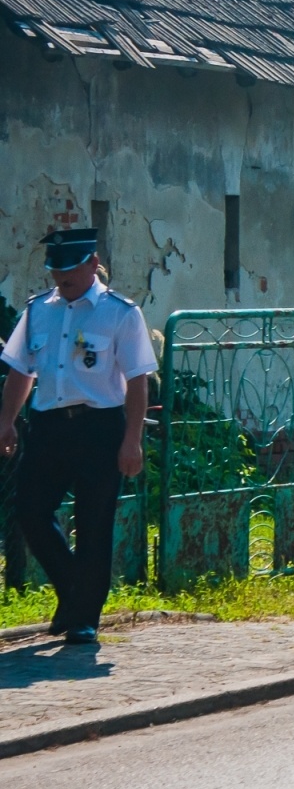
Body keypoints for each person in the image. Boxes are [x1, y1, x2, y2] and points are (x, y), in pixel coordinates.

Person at [0, 229, 158, 644]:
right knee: (30, 511)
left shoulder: (120, 313)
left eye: (69, 270)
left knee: (94, 522)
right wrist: (6, 420)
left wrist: (132, 438)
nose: (61, 278)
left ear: (92, 263)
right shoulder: (39, 312)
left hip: (99, 427)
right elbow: (20, 370)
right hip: (48, 427)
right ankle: (74, 589)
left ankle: (84, 616)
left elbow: (138, 379)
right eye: (55, 271)